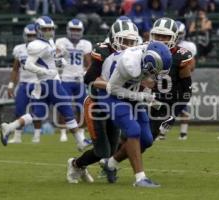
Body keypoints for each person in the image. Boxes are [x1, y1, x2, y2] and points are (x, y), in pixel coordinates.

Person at [66, 19, 140, 184]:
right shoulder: (103, 51)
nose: (128, 45)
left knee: (113, 149)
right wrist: (114, 87)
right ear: (113, 39)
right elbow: (89, 78)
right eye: (124, 41)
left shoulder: (136, 54)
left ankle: (82, 165)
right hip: (96, 104)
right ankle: (75, 164)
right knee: (102, 151)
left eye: (131, 41)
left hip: (115, 105)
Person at [0, 16, 86, 151]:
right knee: (67, 109)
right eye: (45, 29)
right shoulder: (36, 45)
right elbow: (28, 65)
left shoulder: (50, 41)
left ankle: (9, 127)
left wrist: (60, 61)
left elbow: (54, 63)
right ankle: (80, 142)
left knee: (37, 114)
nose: (49, 31)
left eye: (50, 28)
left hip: (44, 83)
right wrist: (44, 71)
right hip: (49, 82)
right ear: (38, 30)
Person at [98, 41, 172, 188]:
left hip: (131, 93)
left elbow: (144, 80)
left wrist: (146, 93)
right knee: (133, 130)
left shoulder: (147, 53)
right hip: (112, 96)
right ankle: (140, 179)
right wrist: (140, 96)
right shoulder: (129, 64)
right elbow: (112, 89)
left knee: (146, 140)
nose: (156, 76)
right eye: (155, 72)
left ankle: (110, 164)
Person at [148, 17, 193, 140]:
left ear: (174, 37)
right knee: (130, 133)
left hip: (163, 106)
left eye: (165, 36)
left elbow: (186, 92)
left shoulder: (180, 56)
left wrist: (173, 114)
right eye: (157, 36)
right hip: (141, 101)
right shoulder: (143, 50)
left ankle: (112, 159)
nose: (160, 40)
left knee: (148, 139)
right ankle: (110, 158)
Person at [55, 18, 92, 146]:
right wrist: (59, 55)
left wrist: (85, 71)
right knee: (64, 105)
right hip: (65, 78)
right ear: (68, 30)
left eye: (78, 30)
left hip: (79, 80)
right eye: (73, 30)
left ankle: (81, 131)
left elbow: (89, 63)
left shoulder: (86, 44)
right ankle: (63, 132)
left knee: (84, 107)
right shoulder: (61, 42)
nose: (75, 32)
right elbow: (56, 56)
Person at [7, 23, 42, 144]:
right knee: (19, 110)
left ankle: (37, 136)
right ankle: (17, 137)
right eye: (29, 35)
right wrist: (11, 85)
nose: (31, 38)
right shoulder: (19, 49)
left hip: (37, 83)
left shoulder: (42, 48)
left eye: (33, 35)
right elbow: (15, 69)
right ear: (24, 35)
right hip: (23, 83)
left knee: (36, 110)